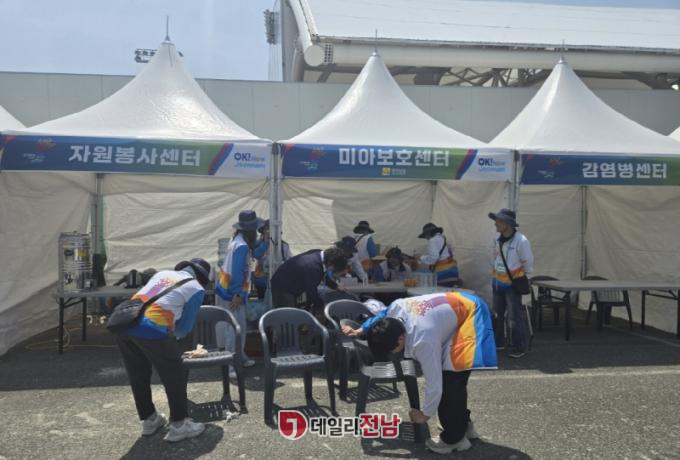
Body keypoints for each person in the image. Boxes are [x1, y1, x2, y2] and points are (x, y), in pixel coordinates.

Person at [342, 292, 497, 454]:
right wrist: (362, 329)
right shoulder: (395, 308)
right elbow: (382, 316)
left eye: (392, 351)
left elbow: (435, 384)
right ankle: (463, 426)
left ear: (400, 339)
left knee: (451, 380)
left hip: (472, 314)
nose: (393, 354)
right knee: (452, 380)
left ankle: (454, 439)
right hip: (459, 305)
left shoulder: (422, 340)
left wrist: (424, 415)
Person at [116, 257, 211, 443]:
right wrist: (171, 331)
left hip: (125, 323)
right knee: (175, 372)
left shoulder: (163, 275)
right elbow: (184, 329)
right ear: (201, 278)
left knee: (138, 374)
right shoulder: (196, 288)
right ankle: (180, 425)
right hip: (151, 327)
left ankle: (149, 420)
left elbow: (151, 301)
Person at [215, 210, 265, 368]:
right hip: (232, 293)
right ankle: (231, 364)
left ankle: (240, 357)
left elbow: (251, 258)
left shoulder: (237, 240)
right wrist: (237, 293)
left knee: (239, 327)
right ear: (251, 230)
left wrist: (264, 243)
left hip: (227, 289)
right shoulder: (242, 246)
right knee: (235, 329)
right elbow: (237, 272)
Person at [489, 208, 534, 359]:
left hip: (512, 286)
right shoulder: (497, 240)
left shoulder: (521, 241)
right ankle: (499, 343)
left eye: (498, 221)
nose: (495, 224)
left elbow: (528, 263)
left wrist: (522, 277)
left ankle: (518, 347)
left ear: (507, 223)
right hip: (497, 284)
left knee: (514, 317)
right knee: (497, 315)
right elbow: (496, 259)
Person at [270, 246, 349, 312]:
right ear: (330, 263)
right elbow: (311, 292)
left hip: (286, 283)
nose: (332, 270)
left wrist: (336, 286)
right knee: (289, 316)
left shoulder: (318, 254)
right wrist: (323, 306)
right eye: (334, 268)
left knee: (293, 314)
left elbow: (323, 274)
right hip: (283, 288)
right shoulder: (313, 267)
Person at [252, 219, 292, 300]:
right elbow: (255, 255)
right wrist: (266, 242)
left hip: (279, 282)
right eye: (267, 231)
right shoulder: (259, 243)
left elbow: (289, 262)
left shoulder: (283, 246)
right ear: (263, 232)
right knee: (263, 302)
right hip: (262, 282)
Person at [418, 223, 459, 287]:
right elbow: (451, 253)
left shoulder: (432, 241)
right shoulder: (445, 238)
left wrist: (421, 257)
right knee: (449, 292)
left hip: (443, 273)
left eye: (425, 235)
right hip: (453, 270)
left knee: (441, 292)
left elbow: (433, 258)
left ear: (428, 233)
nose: (426, 238)